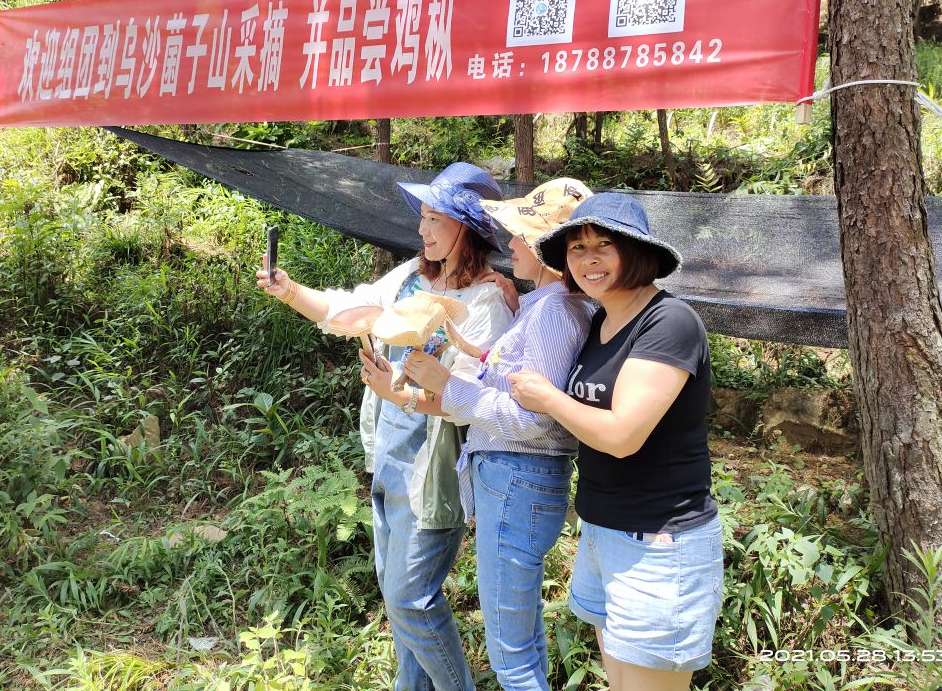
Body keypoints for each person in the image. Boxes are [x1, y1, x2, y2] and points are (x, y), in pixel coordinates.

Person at [256, 161, 514, 691]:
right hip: (390, 458)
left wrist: (399, 393)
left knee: (410, 599)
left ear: (466, 228)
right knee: (396, 600)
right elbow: (350, 308)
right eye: (423, 216)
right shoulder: (411, 278)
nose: (423, 229)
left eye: (435, 218)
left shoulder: (488, 300)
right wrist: (290, 290)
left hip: (436, 469)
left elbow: (472, 397)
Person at [508, 192, 724, 691]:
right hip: (603, 532)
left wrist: (547, 398)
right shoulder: (600, 321)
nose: (589, 259)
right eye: (577, 248)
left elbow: (623, 436)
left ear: (637, 252)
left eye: (604, 245)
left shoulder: (668, 322)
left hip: (658, 541)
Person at [392, 178, 597, 691]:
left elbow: (536, 419)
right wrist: (481, 349)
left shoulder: (557, 311)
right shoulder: (543, 305)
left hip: (518, 479)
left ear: (547, 247)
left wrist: (447, 385)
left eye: (520, 235)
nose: (509, 243)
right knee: (521, 644)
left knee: (512, 659)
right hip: (512, 481)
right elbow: (521, 381)